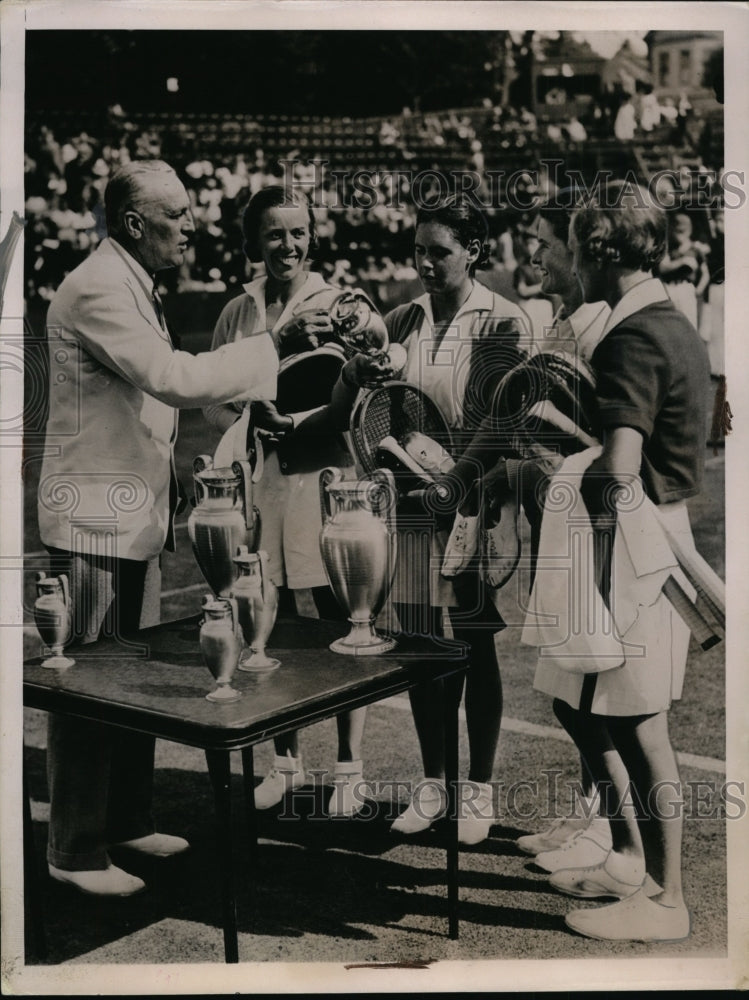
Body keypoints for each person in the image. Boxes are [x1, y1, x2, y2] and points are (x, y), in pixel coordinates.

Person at [37, 159, 278, 897]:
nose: (193, 224)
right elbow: (171, 378)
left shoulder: (128, 281)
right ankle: (74, 849)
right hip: (92, 519)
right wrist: (277, 343)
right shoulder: (98, 286)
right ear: (136, 223)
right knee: (90, 688)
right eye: (177, 214)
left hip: (129, 512)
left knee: (131, 679)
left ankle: (126, 819)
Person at [294, 194, 531, 845]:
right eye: (418, 250)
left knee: (474, 643)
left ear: (474, 251)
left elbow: (498, 425)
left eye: (440, 251)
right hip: (409, 506)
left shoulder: (502, 321)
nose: (425, 263)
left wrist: (459, 484)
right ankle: (432, 784)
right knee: (423, 643)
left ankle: (476, 791)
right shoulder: (400, 317)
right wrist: (352, 370)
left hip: (474, 502)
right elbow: (359, 406)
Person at [527, 181, 709, 941]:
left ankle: (666, 901)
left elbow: (620, 467)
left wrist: (551, 459)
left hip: (632, 547)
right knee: (579, 702)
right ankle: (629, 858)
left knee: (640, 727)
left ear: (600, 252)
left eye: (572, 246)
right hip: (628, 540)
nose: (565, 258)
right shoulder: (663, 318)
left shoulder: (636, 335)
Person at [203, 185, 373, 817]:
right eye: (274, 233)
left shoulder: (340, 304)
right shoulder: (235, 312)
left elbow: (361, 395)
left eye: (298, 232)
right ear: (255, 241)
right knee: (265, 615)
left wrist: (301, 423)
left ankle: (350, 768)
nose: (288, 245)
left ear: (313, 237)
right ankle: (286, 762)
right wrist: (253, 416)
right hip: (259, 482)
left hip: (322, 479)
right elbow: (213, 399)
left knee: (339, 615)